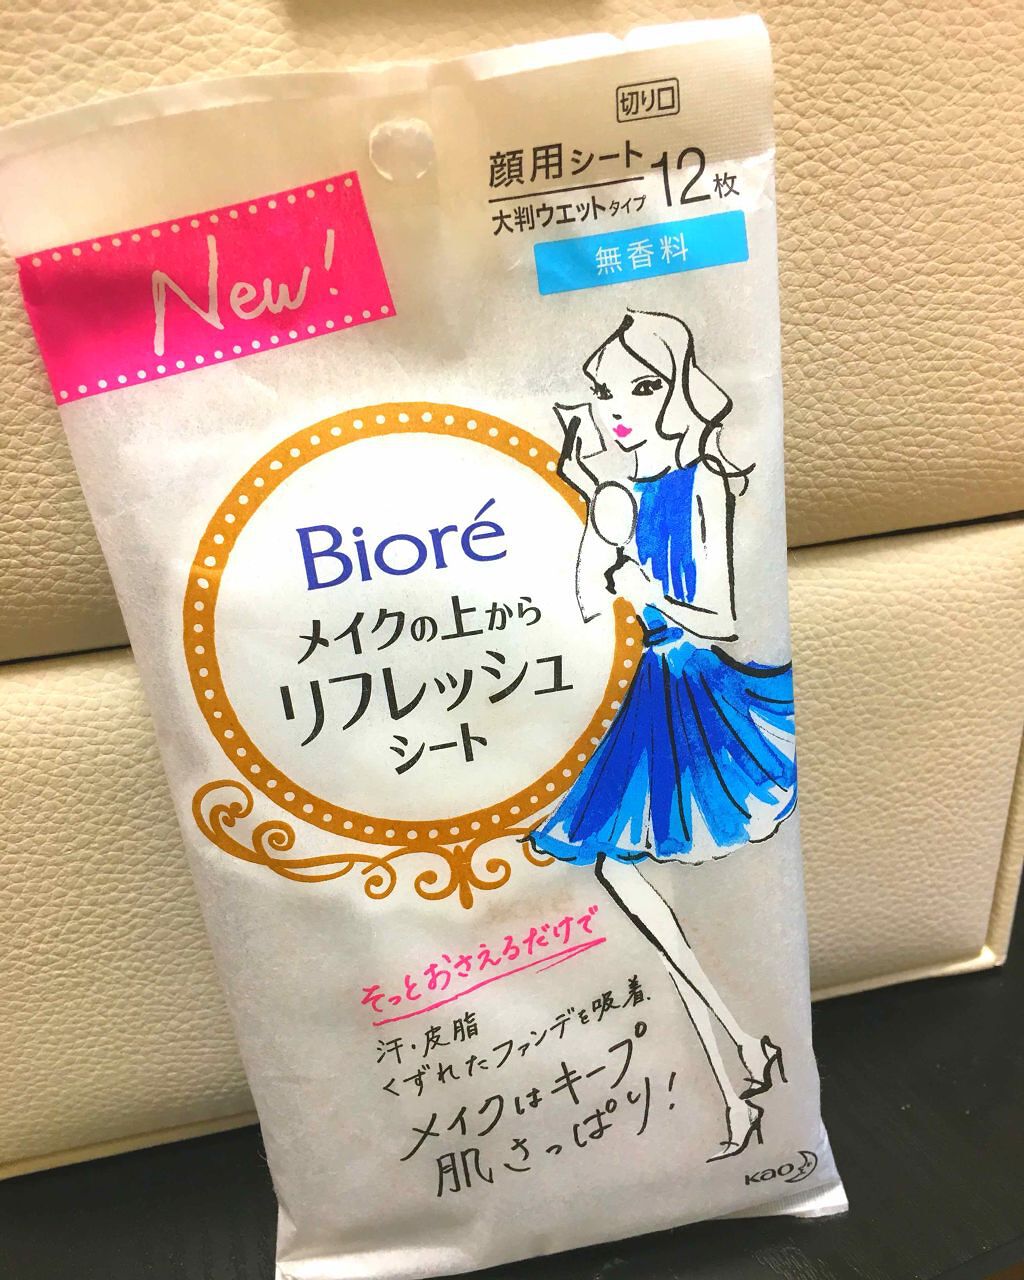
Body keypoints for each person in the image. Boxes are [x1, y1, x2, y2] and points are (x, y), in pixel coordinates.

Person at [530, 308, 796, 1160]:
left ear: (678, 390)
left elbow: (718, 615)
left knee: (620, 867)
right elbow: (585, 599)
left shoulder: (702, 482)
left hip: (692, 684)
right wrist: (592, 502)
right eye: (606, 391)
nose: (618, 408)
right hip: (647, 688)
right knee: (622, 872)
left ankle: (741, 1065)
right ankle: (742, 1069)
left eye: (641, 388)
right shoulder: (624, 493)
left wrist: (644, 587)